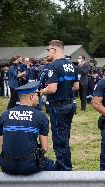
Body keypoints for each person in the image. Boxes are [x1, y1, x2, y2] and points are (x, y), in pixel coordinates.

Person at [0, 81, 56, 175]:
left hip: (7, 166)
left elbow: (1, 146)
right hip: (30, 166)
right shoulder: (41, 116)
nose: (38, 99)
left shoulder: (4, 115)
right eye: (37, 96)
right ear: (32, 97)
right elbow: (44, 148)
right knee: (52, 165)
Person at [40, 40, 79, 171]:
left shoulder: (53, 66)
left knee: (59, 140)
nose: (47, 53)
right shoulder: (72, 65)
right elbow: (76, 86)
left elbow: (51, 89)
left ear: (55, 50)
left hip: (58, 107)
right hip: (70, 105)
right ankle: (63, 165)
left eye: (48, 50)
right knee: (65, 137)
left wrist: (41, 91)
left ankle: (65, 169)